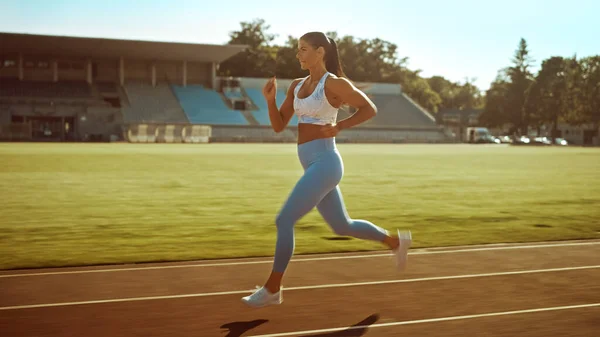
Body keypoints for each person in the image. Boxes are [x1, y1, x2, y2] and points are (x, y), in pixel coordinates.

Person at [241, 32, 412, 308]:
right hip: (312, 164)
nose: (299, 54)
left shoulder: (334, 83)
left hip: (326, 163)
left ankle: (273, 288)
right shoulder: (296, 85)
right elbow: (278, 125)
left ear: (321, 52)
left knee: (284, 220)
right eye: (298, 50)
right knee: (342, 225)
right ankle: (395, 242)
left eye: (304, 49)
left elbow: (369, 109)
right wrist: (270, 100)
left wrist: (341, 126)